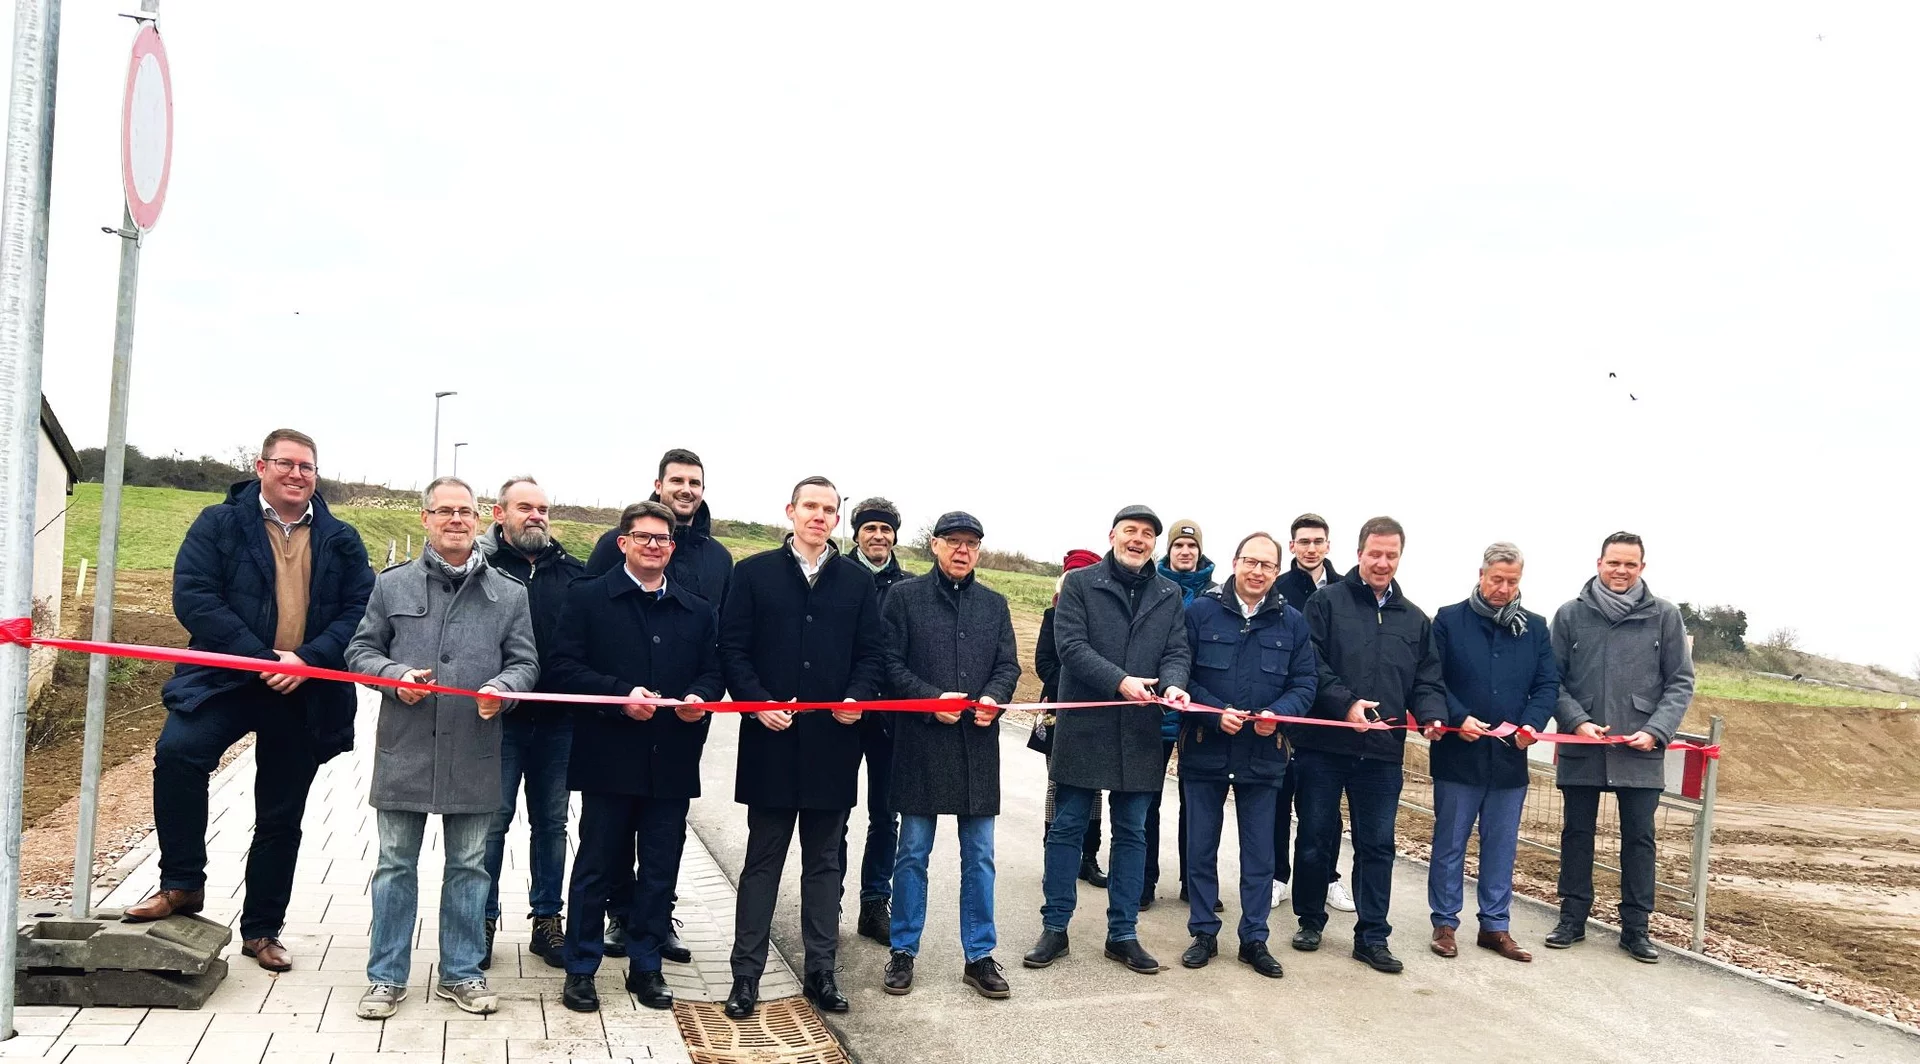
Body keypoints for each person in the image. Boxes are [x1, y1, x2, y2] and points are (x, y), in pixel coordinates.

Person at [128, 429, 374, 977]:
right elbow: (195, 597)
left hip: (303, 688)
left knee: (280, 814)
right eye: (286, 463)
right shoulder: (218, 524)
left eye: (307, 467)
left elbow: (361, 607)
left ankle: (262, 929)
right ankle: (182, 883)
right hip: (226, 679)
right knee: (179, 754)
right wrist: (261, 658)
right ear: (261, 467)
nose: (296, 474)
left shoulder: (340, 537)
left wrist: (306, 660)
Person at [347, 477, 539, 1019]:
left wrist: (503, 691)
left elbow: (526, 663)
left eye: (465, 512)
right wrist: (395, 676)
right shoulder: (392, 586)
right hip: (405, 749)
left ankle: (461, 972)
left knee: (470, 867)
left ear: (479, 520)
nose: (456, 520)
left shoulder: (509, 593)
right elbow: (360, 651)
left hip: (475, 750)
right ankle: (386, 977)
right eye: (445, 511)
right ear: (426, 519)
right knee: (394, 865)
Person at [544, 501, 723, 1013]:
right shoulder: (588, 598)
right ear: (622, 543)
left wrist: (700, 698)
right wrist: (619, 696)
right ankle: (581, 968)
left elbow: (713, 671)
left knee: (660, 868)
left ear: (672, 547)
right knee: (596, 866)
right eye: (643, 537)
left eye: (662, 539)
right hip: (609, 758)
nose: (653, 546)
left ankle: (647, 966)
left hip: (671, 760)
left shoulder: (696, 609)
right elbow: (562, 668)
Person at [718, 476, 884, 1019]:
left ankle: (822, 972)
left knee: (825, 864)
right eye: (810, 506)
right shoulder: (753, 574)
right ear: (790, 511)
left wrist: (858, 697)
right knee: (762, 862)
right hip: (770, 740)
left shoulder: (857, 582)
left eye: (828, 509)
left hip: (833, 744)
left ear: (837, 519)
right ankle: (746, 976)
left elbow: (871, 654)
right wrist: (756, 702)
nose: (819, 516)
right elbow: (732, 649)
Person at [1023, 505, 1191, 977]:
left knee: (1133, 833)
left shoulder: (1169, 593)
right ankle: (1055, 928)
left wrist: (1174, 685)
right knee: (1067, 828)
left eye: (1147, 534)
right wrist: (1119, 681)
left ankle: (1122, 934)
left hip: (1140, 731)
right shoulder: (1080, 584)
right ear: (1113, 535)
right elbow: (1070, 647)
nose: (1138, 540)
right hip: (1085, 726)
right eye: (1130, 531)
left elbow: (1177, 650)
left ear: (1154, 543)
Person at [583, 448, 729, 965]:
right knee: (615, 828)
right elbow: (591, 610)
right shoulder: (614, 543)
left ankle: (657, 917)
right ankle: (620, 913)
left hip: (683, 719)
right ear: (659, 484)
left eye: (695, 482)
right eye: (677, 480)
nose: (686, 489)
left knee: (666, 830)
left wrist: (705, 698)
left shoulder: (718, 558)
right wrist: (613, 695)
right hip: (621, 715)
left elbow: (721, 639)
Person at [1289, 516, 1445, 975]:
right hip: (1323, 746)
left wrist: (1432, 714)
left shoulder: (1414, 618)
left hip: (1381, 752)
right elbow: (1311, 664)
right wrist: (1346, 704)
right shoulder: (1325, 603)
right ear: (1359, 553)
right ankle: (1310, 920)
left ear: (1400, 557)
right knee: (1315, 838)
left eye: (1391, 555)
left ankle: (1372, 935)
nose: (1382, 562)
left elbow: (1426, 678)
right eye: (1374, 553)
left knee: (1377, 846)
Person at [878, 512, 1022, 1000]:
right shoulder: (905, 598)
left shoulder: (994, 605)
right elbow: (889, 664)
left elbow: (1008, 665)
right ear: (935, 545)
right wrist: (929, 700)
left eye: (971, 544)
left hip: (975, 749)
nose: (963, 551)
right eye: (954, 541)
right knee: (912, 853)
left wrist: (994, 698)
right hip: (921, 746)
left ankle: (979, 956)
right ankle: (903, 950)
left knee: (979, 857)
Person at [1546, 531, 1695, 963]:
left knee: (1639, 839)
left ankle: (1636, 928)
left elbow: (1681, 681)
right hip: (1583, 746)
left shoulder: (1665, 616)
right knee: (1577, 834)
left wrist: (1656, 730)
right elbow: (1551, 679)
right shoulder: (1570, 614)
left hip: (1640, 749)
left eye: (1630, 564)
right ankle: (1572, 918)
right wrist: (1577, 721)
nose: (1621, 571)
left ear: (1642, 568)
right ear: (1599, 563)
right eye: (1614, 562)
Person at [1177, 532, 1317, 979]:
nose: (1258, 572)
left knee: (1259, 856)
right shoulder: (1200, 613)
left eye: (1267, 565)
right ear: (1235, 562)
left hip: (1264, 755)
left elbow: (1305, 683)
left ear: (1277, 571)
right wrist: (1214, 713)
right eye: (1251, 562)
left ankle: (1254, 938)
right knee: (1201, 849)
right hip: (1207, 749)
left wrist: (1280, 713)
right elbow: (1181, 673)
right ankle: (1203, 932)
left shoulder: (1292, 622)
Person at [1428, 543, 1559, 963]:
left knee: (1501, 846)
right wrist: (1458, 717)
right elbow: (1432, 678)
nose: (1503, 589)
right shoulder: (1449, 621)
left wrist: (1531, 724)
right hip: (1458, 754)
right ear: (1481, 575)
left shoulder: (1535, 628)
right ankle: (1445, 923)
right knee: (1450, 843)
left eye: (1512, 581)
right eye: (1497, 579)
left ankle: (1495, 926)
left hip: (1509, 757)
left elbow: (1547, 684)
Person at [475, 476, 585, 971]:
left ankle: (547, 920)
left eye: (543, 508)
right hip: (498, 722)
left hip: (558, 723)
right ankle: (481, 920)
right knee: (491, 823)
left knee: (552, 824)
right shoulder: (481, 568)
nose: (536, 515)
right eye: (525, 507)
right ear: (499, 514)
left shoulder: (574, 574)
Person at [1271, 513, 1352, 913]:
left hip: (1327, 717)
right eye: (1303, 541)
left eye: (1318, 541)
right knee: (1277, 802)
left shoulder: (1345, 590)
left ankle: (1329, 878)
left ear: (1328, 545)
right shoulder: (1278, 588)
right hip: (1284, 714)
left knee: (1323, 811)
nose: (1311, 548)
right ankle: (1277, 877)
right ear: (1292, 546)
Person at [843, 497, 911, 944]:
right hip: (844, 714)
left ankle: (874, 903)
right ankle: (827, 899)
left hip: (891, 717)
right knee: (834, 812)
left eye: (885, 529)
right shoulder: (837, 577)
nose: (878, 536)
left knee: (885, 816)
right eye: (870, 528)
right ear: (857, 534)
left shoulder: (908, 587)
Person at [1034, 549, 1108, 887]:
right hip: (1060, 711)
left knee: (1095, 787)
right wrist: (1075, 685)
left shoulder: (1103, 620)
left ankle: (1088, 856)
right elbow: (1044, 663)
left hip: (1096, 712)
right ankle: (1054, 854)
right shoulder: (1052, 615)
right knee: (1058, 785)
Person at [1147, 519, 1209, 909]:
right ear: (1168, 551)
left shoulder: (1215, 593)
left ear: (1200, 551)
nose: (1185, 552)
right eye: (1178, 546)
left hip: (1197, 714)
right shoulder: (1151, 587)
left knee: (1197, 805)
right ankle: (1143, 880)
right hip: (1155, 710)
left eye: (1191, 546)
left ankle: (1194, 882)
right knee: (1145, 800)